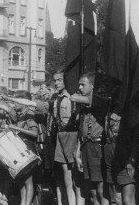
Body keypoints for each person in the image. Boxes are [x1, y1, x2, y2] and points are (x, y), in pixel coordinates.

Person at [72, 73, 108, 205]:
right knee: (92, 190)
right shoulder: (83, 106)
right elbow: (81, 132)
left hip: (97, 147)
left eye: (83, 84)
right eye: (79, 85)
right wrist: (77, 153)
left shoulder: (99, 100)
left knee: (101, 189)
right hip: (86, 146)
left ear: (93, 86)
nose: (80, 87)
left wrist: (75, 96)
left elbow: (74, 97)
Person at [52, 71, 81, 205]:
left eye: (59, 80)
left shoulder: (73, 97)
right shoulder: (56, 98)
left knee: (75, 174)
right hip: (60, 135)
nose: (56, 83)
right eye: (55, 80)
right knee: (66, 173)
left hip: (72, 135)